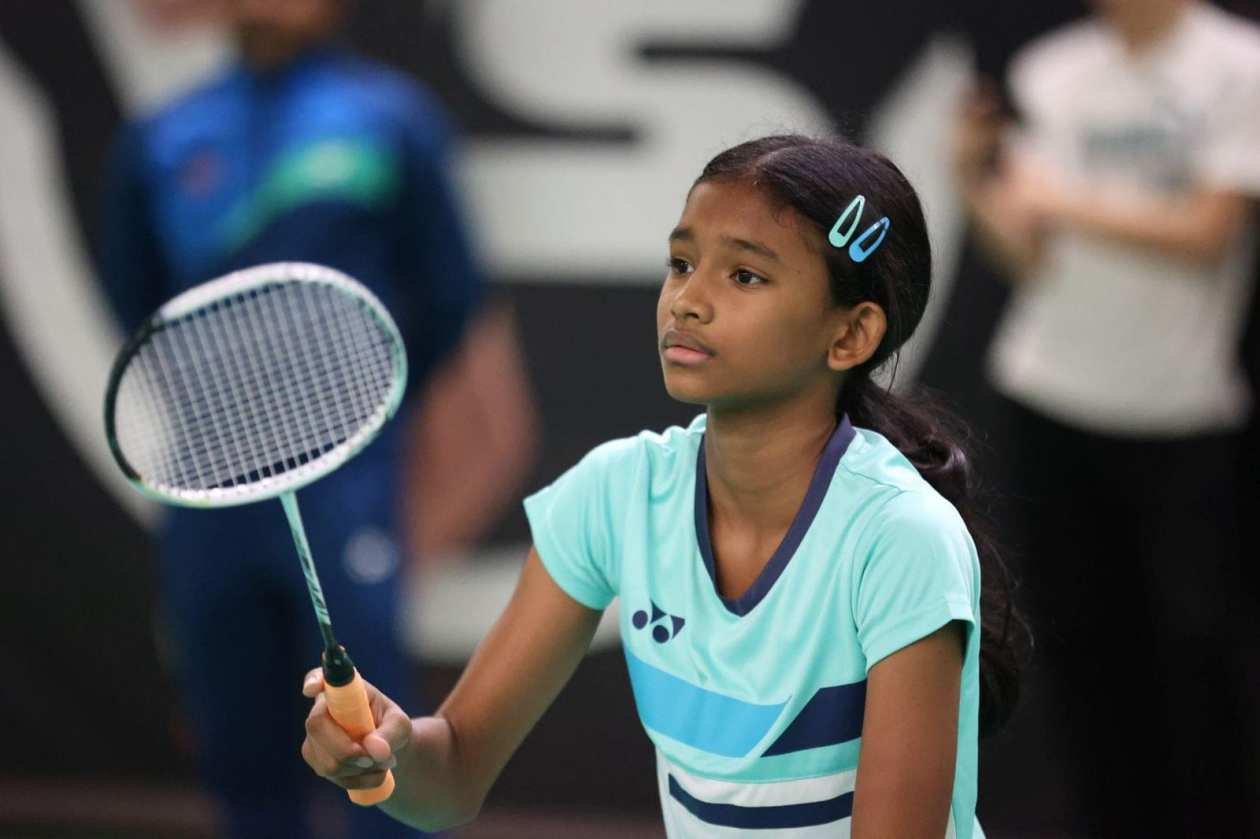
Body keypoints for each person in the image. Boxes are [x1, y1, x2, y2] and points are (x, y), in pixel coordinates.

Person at [299, 134, 1025, 838]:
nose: (687, 300)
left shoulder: (898, 537)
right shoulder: (616, 496)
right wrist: (388, 751)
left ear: (850, 336)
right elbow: (453, 773)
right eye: (681, 263)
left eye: (744, 276)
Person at [97, 1, 536, 836]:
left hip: (347, 486)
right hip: (209, 494)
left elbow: (447, 297)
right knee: (237, 748)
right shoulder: (162, 137)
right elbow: (139, 306)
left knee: (372, 749)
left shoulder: (390, 120)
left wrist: (365, 408)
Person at [952, 1, 1260, 835]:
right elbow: (1027, 251)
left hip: (1184, 411)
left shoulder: (1238, 65)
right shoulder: (1053, 70)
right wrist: (972, 178)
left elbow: (1209, 231)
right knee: (1085, 655)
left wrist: (1060, 198)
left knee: (1198, 661)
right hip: (1051, 397)